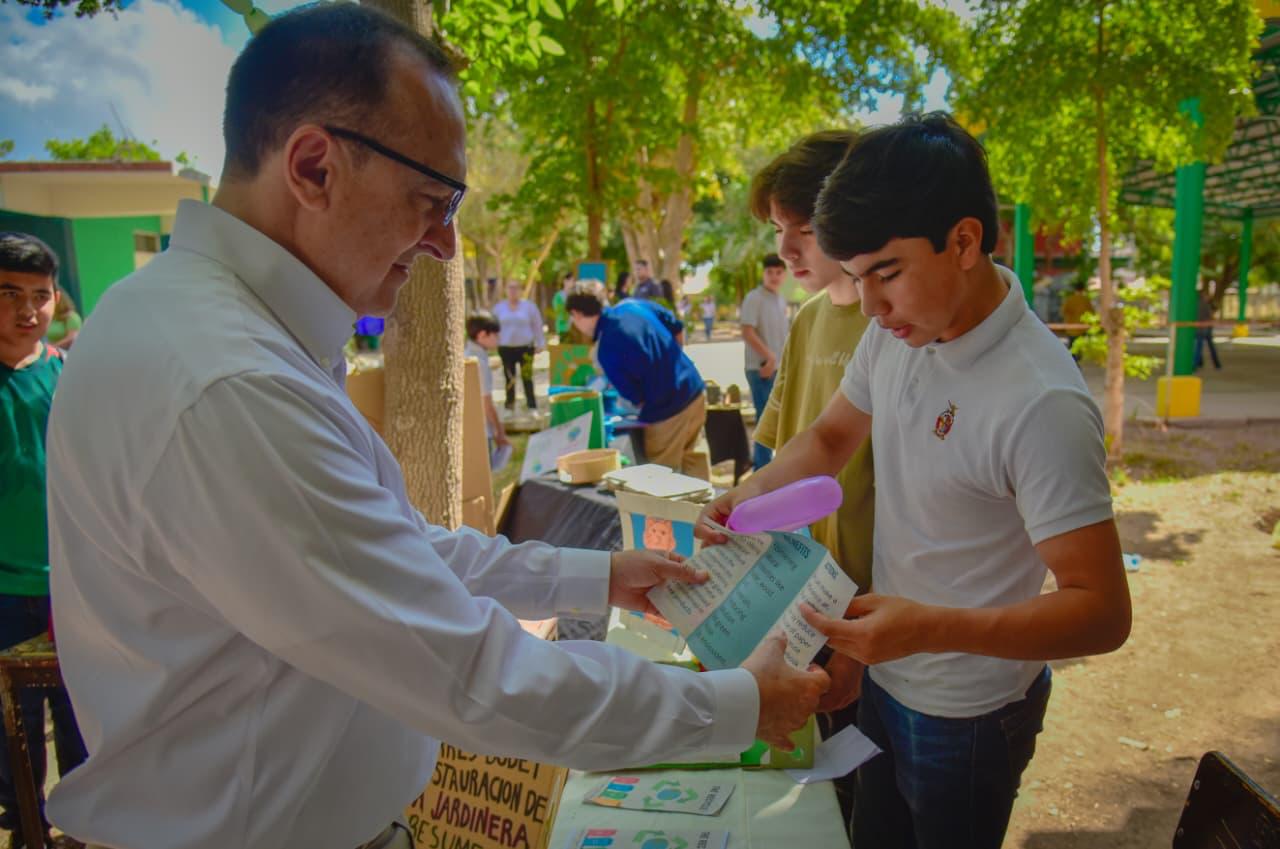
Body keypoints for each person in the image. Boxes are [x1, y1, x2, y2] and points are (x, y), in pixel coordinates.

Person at [42, 9, 828, 849]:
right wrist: (739, 704)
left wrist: (599, 575)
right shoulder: (227, 381)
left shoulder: (216, 331)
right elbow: (468, 674)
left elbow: (402, 556)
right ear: (313, 165)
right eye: (432, 200)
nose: (447, 246)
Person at [698, 113, 1132, 849]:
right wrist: (749, 494)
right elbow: (834, 436)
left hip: (967, 711)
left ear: (965, 241)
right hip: (886, 677)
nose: (869, 306)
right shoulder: (899, 333)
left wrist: (931, 627)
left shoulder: (1042, 402)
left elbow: (1101, 611)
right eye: (859, 277)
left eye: (887, 273)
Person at [746, 128, 871, 830]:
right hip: (808, 603)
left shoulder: (897, 324)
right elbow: (784, 451)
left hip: (881, 612)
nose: (787, 250)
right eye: (777, 231)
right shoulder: (809, 320)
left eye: (804, 229)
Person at [0, 232, 88, 846]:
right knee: (15, 742)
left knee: (85, 727)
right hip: (3, 594)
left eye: (39, 295)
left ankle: (86, 831)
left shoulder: (72, 379)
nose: (27, 309)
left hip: (76, 589)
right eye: (8, 294)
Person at [566, 284, 711, 479]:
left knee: (662, 480)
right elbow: (677, 328)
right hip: (694, 390)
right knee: (695, 462)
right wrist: (672, 364)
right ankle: (706, 509)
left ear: (576, 314)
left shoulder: (606, 349)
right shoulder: (633, 305)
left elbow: (635, 397)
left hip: (666, 411)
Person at [740, 253, 790, 469]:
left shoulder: (780, 300)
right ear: (763, 273)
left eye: (779, 272)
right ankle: (761, 471)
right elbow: (747, 331)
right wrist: (769, 358)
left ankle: (773, 469)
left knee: (779, 420)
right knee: (764, 421)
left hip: (778, 368)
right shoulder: (754, 297)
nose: (774, 277)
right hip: (760, 368)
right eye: (770, 272)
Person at [464, 313, 510, 467]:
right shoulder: (478, 363)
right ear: (482, 335)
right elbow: (486, 404)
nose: (498, 339)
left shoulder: (469, 355)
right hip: (481, 430)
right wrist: (500, 432)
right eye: (495, 335)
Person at [493, 279, 545, 411]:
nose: (513, 291)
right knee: (509, 378)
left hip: (526, 348)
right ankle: (509, 407)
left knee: (527, 377)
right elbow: (493, 327)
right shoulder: (499, 308)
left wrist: (540, 343)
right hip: (506, 348)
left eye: (516, 288)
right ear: (506, 290)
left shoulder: (529, 307)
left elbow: (537, 326)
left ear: (521, 291)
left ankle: (532, 406)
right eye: (510, 288)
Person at [1059, 279, 1091, 362]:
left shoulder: (1070, 299)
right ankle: (1078, 361)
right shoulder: (1086, 300)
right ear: (1083, 289)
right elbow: (1091, 313)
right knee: (1080, 347)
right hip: (1082, 328)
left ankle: (1073, 362)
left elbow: (1063, 311)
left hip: (1071, 328)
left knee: (1072, 347)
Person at [1194, 288, 1222, 371]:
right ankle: (1216, 364)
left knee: (1199, 346)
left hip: (1198, 328)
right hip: (1204, 328)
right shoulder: (1205, 304)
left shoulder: (1195, 304)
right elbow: (1210, 316)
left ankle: (1199, 363)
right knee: (1203, 347)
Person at [551, 271, 574, 342]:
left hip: (577, 330)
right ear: (565, 281)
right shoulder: (558, 296)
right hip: (563, 329)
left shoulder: (576, 295)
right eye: (572, 280)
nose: (574, 282)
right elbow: (559, 313)